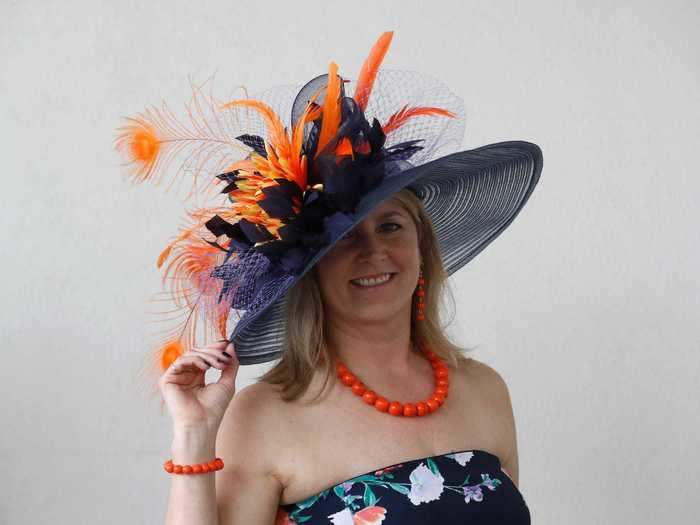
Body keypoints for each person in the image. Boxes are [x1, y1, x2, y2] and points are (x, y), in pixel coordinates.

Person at [117, 31, 542, 525]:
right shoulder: (263, 416)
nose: (374, 251)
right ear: (310, 272)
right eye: (343, 240)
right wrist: (193, 433)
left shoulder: (485, 390)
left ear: (423, 246)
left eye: (391, 226)